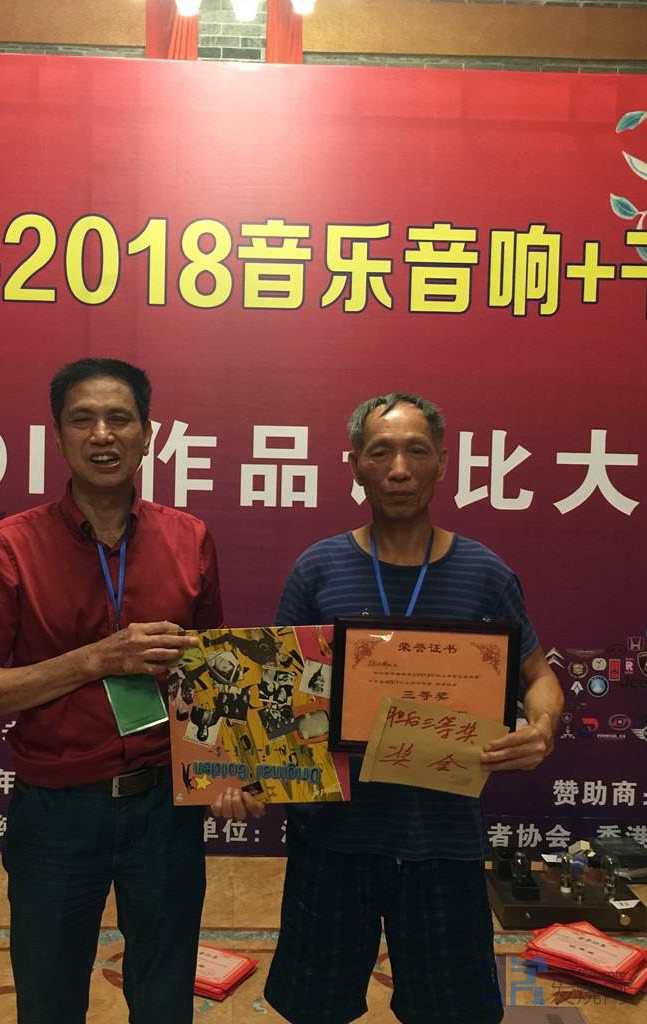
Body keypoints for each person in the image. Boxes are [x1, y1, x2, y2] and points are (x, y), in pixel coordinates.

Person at [263, 392, 564, 1024]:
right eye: (380, 452)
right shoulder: (318, 569)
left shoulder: (485, 573)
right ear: (355, 465)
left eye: (416, 451)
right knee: (314, 1008)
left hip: (442, 839)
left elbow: (537, 675)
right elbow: (278, 698)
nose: (398, 469)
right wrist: (245, 776)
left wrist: (541, 726)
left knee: (451, 1013)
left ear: (442, 463)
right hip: (334, 836)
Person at [0, 357, 222, 1024]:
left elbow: (212, 678)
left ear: (148, 434)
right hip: (57, 812)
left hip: (164, 810)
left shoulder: (189, 538)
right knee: (49, 1001)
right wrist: (99, 658)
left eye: (119, 418)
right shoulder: (10, 545)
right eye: (83, 419)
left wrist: (227, 775)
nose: (102, 434)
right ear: (58, 436)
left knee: (165, 1003)